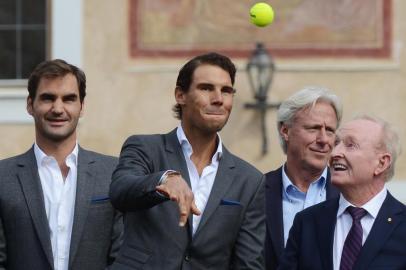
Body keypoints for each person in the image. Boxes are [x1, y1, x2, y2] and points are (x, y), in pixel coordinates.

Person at [109, 52, 265, 269]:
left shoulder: (250, 180)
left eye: (226, 91)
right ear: (180, 95)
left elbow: (248, 263)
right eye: (206, 88)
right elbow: (120, 191)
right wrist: (164, 180)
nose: (219, 98)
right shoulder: (144, 148)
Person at [0, 59, 122, 270]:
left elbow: (122, 256)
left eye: (69, 99)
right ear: (30, 105)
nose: (58, 108)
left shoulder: (113, 173)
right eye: (48, 98)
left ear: (81, 106)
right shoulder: (3, 177)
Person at [279, 115, 406, 270]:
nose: (333, 154)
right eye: (337, 143)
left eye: (350, 145)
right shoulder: (307, 222)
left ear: (381, 163)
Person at [265, 87, 342, 270]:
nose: (324, 139)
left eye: (330, 130)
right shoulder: (255, 190)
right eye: (313, 128)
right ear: (285, 131)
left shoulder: (349, 194)